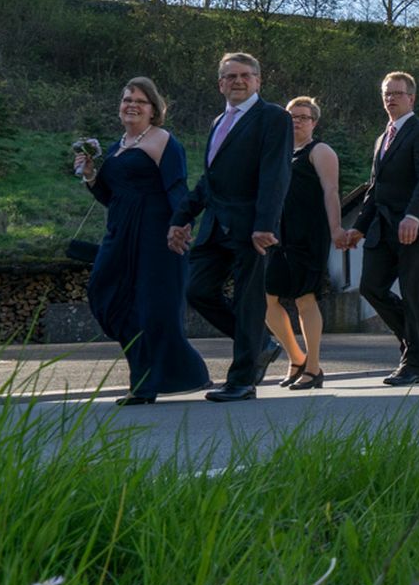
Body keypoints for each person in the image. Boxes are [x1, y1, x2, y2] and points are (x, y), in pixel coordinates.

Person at [168, 52, 293, 402]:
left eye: (245, 75)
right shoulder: (218, 122)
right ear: (220, 83)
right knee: (197, 290)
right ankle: (261, 344)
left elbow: (275, 174)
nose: (238, 81)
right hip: (214, 226)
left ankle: (242, 381)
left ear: (258, 81)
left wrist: (265, 224)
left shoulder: (274, 117)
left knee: (249, 302)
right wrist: (181, 218)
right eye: (230, 76)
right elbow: (209, 181)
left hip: (252, 228)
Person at [77, 79, 208, 405]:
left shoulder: (163, 141)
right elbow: (112, 197)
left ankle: (144, 384)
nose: (132, 105)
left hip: (156, 235)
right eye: (127, 100)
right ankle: (176, 371)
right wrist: (91, 175)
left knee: (152, 309)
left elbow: (177, 188)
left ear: (153, 109)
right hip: (120, 234)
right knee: (105, 296)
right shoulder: (115, 147)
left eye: (140, 101)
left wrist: (180, 225)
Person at [339, 72, 419, 386]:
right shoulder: (382, 138)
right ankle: (414, 342)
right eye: (386, 93)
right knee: (372, 287)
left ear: (411, 98)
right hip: (382, 228)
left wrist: (413, 215)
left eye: (397, 93)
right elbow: (375, 188)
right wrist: (359, 227)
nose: (391, 99)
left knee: (412, 294)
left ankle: (413, 366)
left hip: (413, 227)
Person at [263, 96, 343, 390]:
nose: (296, 121)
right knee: (265, 299)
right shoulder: (279, 151)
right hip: (278, 235)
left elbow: (331, 192)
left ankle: (313, 368)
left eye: (303, 117)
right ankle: (297, 357)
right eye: (291, 117)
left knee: (304, 299)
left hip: (309, 234)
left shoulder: (320, 151)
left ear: (314, 122)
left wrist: (336, 229)